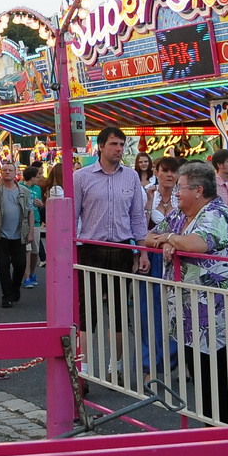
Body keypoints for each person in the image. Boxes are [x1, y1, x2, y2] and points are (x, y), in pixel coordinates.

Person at [147, 161, 228, 424]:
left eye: (180, 187)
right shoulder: (181, 216)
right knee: (207, 382)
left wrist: (170, 239)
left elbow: (197, 243)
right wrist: (169, 238)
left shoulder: (217, 213)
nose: (176, 193)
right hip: (199, 316)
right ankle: (215, 434)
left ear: (198, 190)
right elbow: (149, 237)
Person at [73, 128, 148, 372]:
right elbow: (72, 216)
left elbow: (137, 217)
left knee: (119, 310)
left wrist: (143, 251)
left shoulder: (131, 177)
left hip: (122, 249)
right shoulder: (81, 177)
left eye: (122, 144)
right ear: (101, 146)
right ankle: (83, 367)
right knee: (87, 309)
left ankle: (116, 366)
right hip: (91, 249)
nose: (119, 149)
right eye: (114, 144)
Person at [0, 162, 34, 307]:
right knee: (3, 265)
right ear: (1, 173)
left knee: (20, 264)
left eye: (10, 170)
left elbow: (30, 212)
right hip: (1, 235)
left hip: (19, 234)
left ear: (15, 173)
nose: (7, 172)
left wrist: (31, 232)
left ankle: (15, 288)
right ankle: (7, 296)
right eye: (5, 170)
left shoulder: (24, 191)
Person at [146, 156, 182, 232]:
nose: (169, 174)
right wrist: (149, 201)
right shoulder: (149, 193)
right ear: (156, 173)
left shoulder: (182, 196)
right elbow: (142, 225)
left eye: (173, 171)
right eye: (165, 171)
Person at [23, 165, 44, 289]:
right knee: (27, 250)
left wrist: (41, 204)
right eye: (37, 176)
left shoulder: (38, 189)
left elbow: (40, 203)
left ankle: (31, 273)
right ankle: (26, 277)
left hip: (36, 222)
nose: (39, 178)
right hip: (24, 222)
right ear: (31, 177)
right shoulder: (20, 186)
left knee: (35, 251)